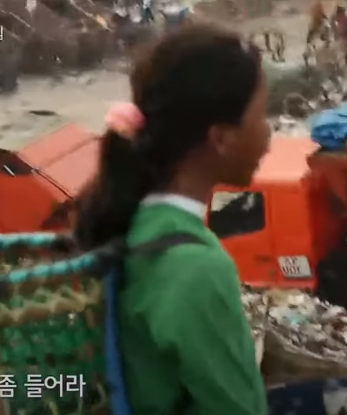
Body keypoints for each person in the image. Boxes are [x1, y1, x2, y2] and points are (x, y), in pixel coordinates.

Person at [73, 23, 270, 415]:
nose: (269, 136)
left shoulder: (129, 222)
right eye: (262, 117)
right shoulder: (196, 268)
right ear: (222, 138)